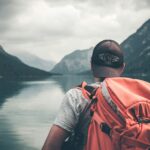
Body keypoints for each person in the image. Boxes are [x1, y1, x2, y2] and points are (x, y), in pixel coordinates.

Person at [42, 39, 125, 150]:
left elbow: (50, 147)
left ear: (91, 64)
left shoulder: (76, 96)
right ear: (122, 67)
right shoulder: (141, 99)